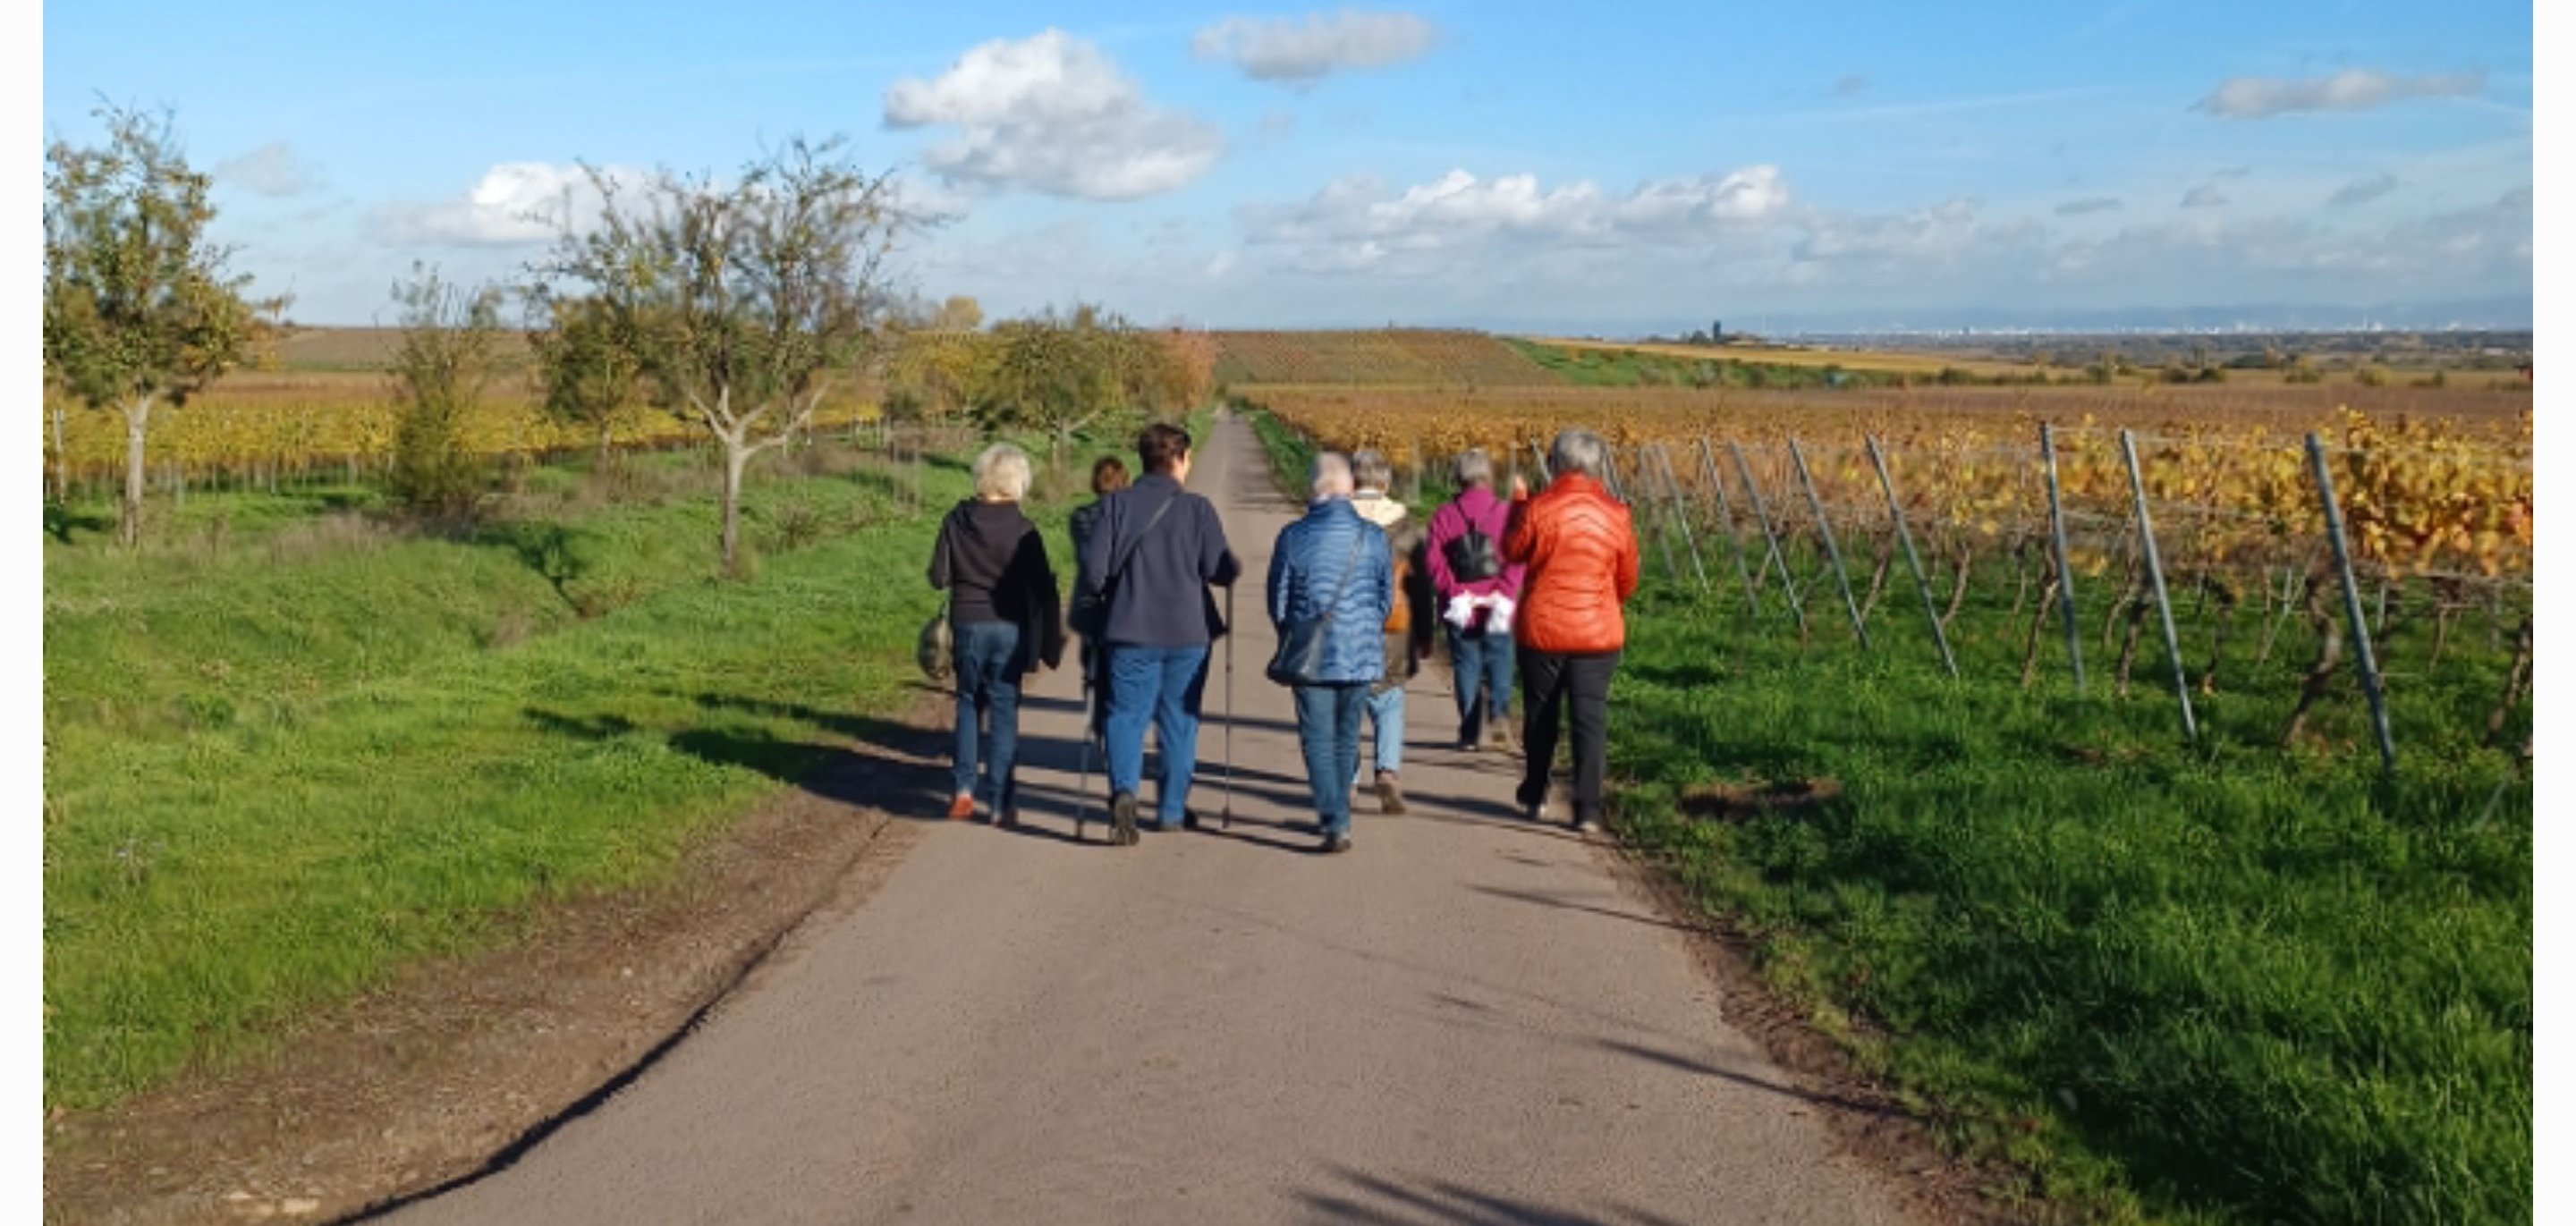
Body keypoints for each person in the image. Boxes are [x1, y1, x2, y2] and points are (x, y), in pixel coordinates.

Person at [1077, 423, 1241, 846]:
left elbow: (1094, 574)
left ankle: (1124, 792)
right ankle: (1170, 810)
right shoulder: (1198, 510)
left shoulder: (1115, 507)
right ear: (1180, 459)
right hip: (1188, 633)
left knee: (1124, 715)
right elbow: (1218, 570)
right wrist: (1230, 566)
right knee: (1179, 720)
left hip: (1129, 630)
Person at [1502, 428, 1640, 835]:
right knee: (1589, 719)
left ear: (1556, 461)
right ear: (1597, 465)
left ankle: (1536, 791)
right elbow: (1628, 579)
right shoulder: (1617, 513)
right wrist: (1601, 601)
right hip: (1597, 632)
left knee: (1541, 713)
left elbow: (1512, 552)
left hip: (1543, 627)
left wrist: (1518, 507)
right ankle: (1588, 808)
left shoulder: (1540, 508)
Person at [928, 443, 1064, 827]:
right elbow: (1042, 587)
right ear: (1016, 481)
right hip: (1010, 628)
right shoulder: (1024, 529)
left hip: (967, 623)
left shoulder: (955, 521)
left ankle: (963, 792)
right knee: (1004, 712)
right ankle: (1001, 804)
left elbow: (938, 577)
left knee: (968, 704)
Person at [1267, 452, 1394, 853]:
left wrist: (1293, 633)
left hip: (1312, 654)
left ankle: (1334, 819)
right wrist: (1364, 626)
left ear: (1314, 488)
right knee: (1345, 735)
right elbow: (1385, 600)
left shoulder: (1293, 536)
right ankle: (1339, 812)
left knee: (1317, 738)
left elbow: (1278, 600)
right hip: (1360, 652)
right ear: (1350, 489)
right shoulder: (1373, 537)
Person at [1425, 448, 1528, 752]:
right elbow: (1518, 558)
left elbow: (1433, 561)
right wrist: (1505, 591)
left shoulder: (1444, 515)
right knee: (1500, 663)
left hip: (1461, 608)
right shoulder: (1507, 513)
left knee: (1466, 666)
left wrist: (1454, 591)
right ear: (1488, 476)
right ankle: (1498, 717)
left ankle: (1469, 733)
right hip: (1498, 607)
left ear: (1458, 477)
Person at [1346, 449, 1420, 815]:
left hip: (1346, 626)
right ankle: (1387, 771)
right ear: (1386, 482)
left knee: (1345, 702)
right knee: (1389, 698)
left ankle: (1347, 780)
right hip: (1393, 625)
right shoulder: (1406, 524)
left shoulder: (1335, 518)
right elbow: (1422, 585)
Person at [1067, 455, 1131, 745]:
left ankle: (1097, 725)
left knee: (1091, 667)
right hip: (1125, 603)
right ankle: (1117, 727)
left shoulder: (1081, 517)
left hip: (1091, 603)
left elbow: (1085, 557)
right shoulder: (1133, 517)